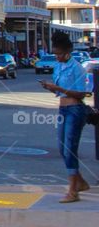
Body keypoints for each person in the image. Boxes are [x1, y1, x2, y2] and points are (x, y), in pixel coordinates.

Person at [39, 31, 92, 203]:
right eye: (55, 54)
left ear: (68, 52)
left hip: (75, 110)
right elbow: (59, 89)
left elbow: (81, 94)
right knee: (62, 149)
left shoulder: (76, 68)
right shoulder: (59, 66)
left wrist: (59, 89)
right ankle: (81, 182)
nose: (57, 57)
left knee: (70, 149)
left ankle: (73, 191)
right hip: (63, 109)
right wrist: (50, 87)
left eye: (59, 54)